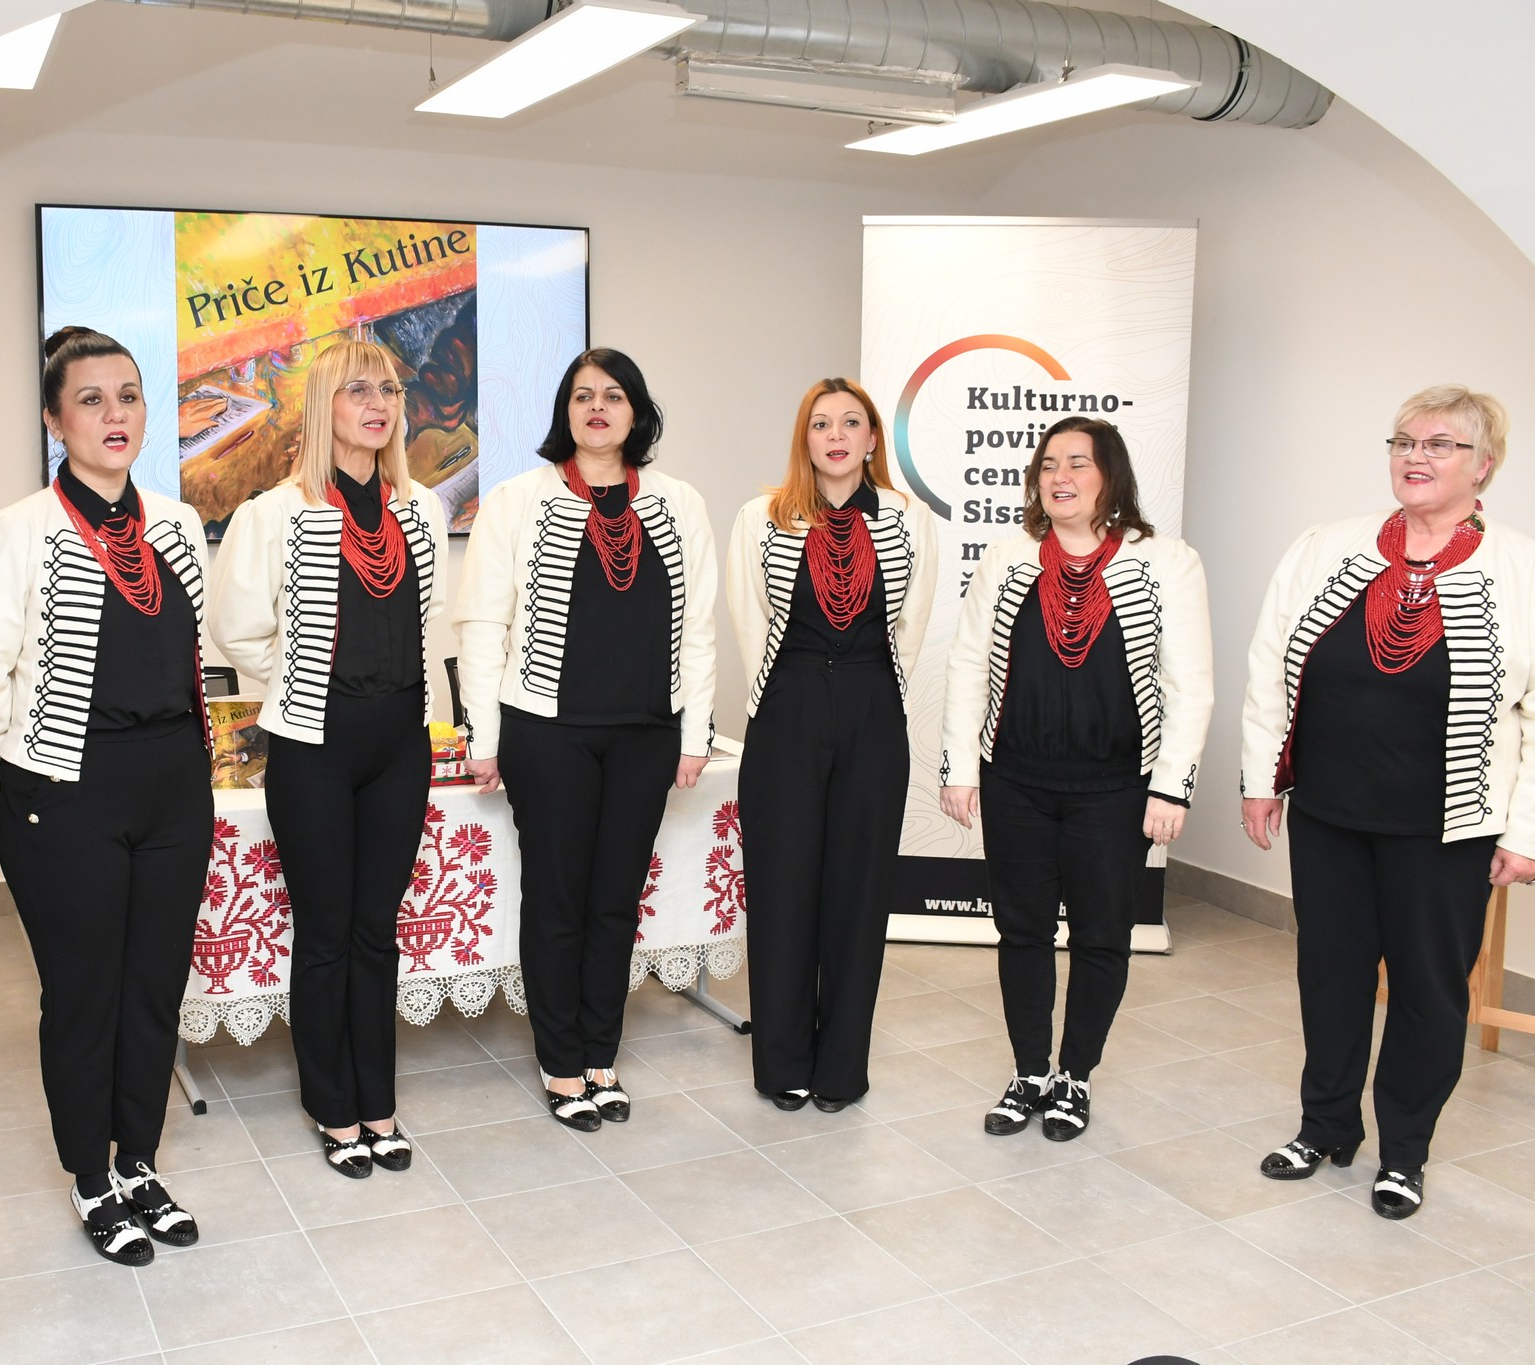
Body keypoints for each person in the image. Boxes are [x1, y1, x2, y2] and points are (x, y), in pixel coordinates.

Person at [1242, 385, 1535, 1220]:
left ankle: (1404, 1150)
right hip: (1329, 811)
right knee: (1329, 975)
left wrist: (1527, 832)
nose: (1416, 455)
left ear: (1484, 466)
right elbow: (1271, 663)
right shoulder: (1325, 546)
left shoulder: (1523, 569)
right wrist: (1262, 778)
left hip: (1448, 826)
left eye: (1440, 444)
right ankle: (1325, 1124)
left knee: (1427, 991)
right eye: (1404, 440)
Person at [0, 327, 212, 1264]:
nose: (114, 414)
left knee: (155, 985)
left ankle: (139, 1160)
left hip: (175, 783)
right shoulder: (14, 530)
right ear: (54, 419)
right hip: (68, 791)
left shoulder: (176, 524)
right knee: (84, 994)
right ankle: (91, 1176)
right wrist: (34, 773)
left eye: (128, 395)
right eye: (91, 399)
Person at [455, 348, 719, 1130]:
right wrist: (484, 735)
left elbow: (698, 629)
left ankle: (602, 1052)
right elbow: (483, 625)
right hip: (546, 735)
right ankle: (561, 1061)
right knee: (557, 901)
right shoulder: (517, 500)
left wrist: (694, 733)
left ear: (637, 413)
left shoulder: (679, 502)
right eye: (581, 396)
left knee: (616, 901)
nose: (596, 408)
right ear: (564, 412)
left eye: (613, 396)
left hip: (646, 732)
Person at [210, 338, 448, 1178]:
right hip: (313, 745)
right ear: (322, 407)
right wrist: (302, 678)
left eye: (388, 389)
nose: (378, 403)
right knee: (324, 933)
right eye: (357, 390)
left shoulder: (422, 510)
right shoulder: (273, 514)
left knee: (377, 931)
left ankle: (378, 1100)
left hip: (400, 743)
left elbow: (427, 623)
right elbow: (235, 629)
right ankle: (332, 1105)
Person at [939, 416, 1211, 1143]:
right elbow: (968, 662)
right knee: (1021, 930)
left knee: (1101, 936)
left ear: (1110, 475)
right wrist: (959, 766)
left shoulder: (1167, 562)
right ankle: (1030, 1072)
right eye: (1049, 464)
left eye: (1078, 463)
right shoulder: (1008, 556)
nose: (1060, 477)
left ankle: (1075, 1075)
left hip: (1117, 789)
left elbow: (1189, 684)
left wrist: (1172, 785)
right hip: (1015, 781)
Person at [727, 378, 937, 1112]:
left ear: (874, 438)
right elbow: (750, 620)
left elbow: (911, 626)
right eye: (822, 424)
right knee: (782, 887)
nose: (837, 435)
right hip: (786, 706)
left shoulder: (909, 519)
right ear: (805, 438)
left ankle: (842, 1067)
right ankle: (782, 1062)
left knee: (860, 890)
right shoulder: (761, 516)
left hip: (873, 705)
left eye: (852, 423)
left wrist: (875, 696)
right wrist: (781, 699)